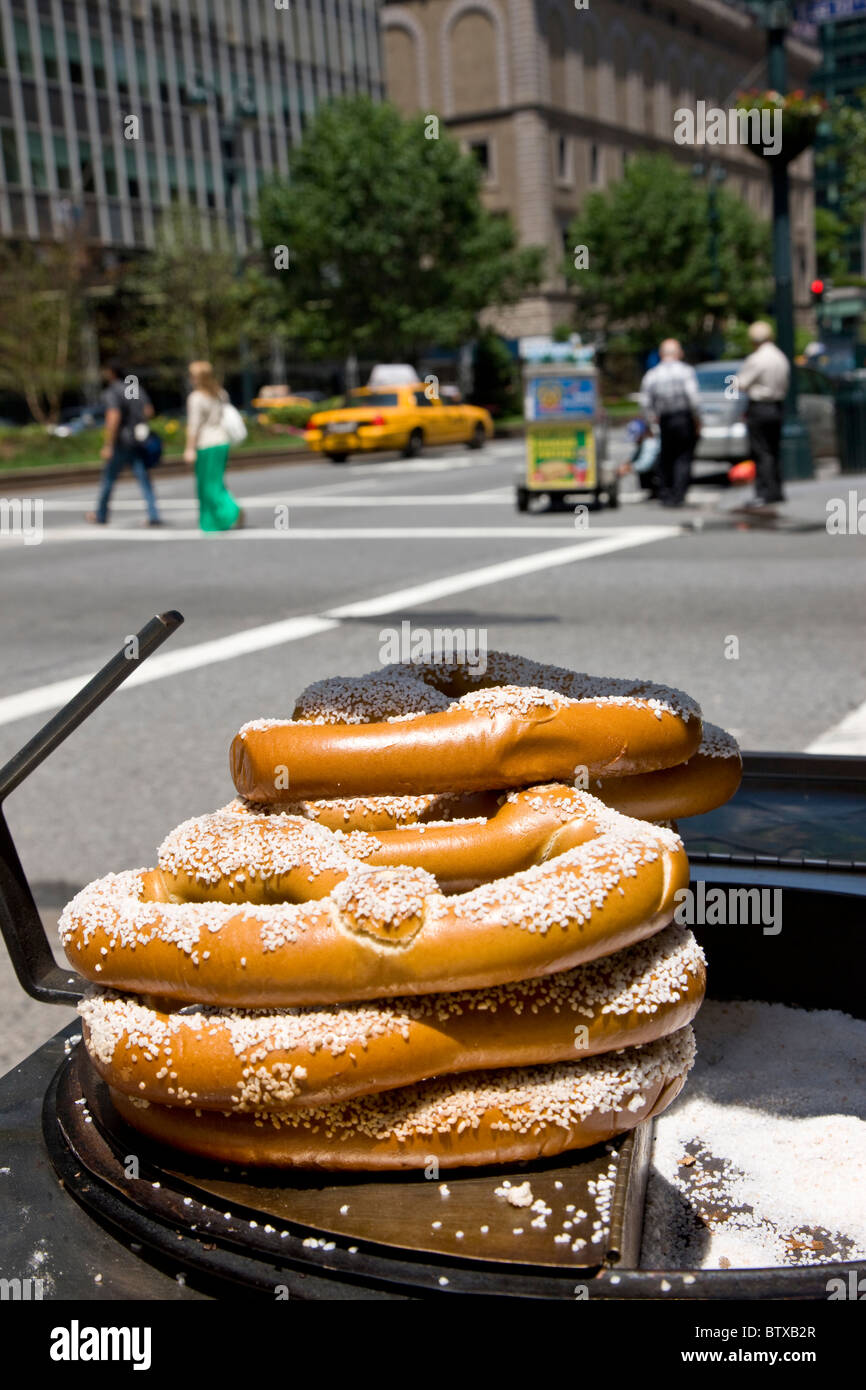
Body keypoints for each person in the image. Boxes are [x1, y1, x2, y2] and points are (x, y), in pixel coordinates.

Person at [86, 360, 162, 526]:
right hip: (137, 441)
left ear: (111, 373)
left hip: (121, 441)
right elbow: (149, 410)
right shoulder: (134, 389)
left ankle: (101, 514)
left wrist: (108, 444)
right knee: (144, 479)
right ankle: (153, 514)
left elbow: (113, 417)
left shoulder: (112, 391)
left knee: (108, 479)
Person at [639, 339, 702, 508]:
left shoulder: (653, 374)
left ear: (661, 354)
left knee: (667, 456)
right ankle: (679, 494)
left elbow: (645, 402)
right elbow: (693, 398)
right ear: (679, 353)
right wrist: (697, 420)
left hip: (664, 420)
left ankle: (666, 493)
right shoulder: (685, 371)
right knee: (683, 457)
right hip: (683, 418)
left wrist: (650, 420)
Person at [735, 321, 791, 509]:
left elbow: (741, 383)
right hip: (777, 407)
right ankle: (777, 491)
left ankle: (764, 493)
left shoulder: (757, 359)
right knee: (774, 451)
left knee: (761, 452)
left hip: (759, 408)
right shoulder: (780, 357)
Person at [184, 361, 243, 532]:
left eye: (192, 375)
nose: (190, 379)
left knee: (206, 485)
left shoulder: (196, 398)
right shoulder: (220, 394)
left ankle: (230, 511)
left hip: (206, 444)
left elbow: (194, 426)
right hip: (222, 442)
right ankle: (217, 519)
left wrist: (189, 448)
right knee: (216, 482)